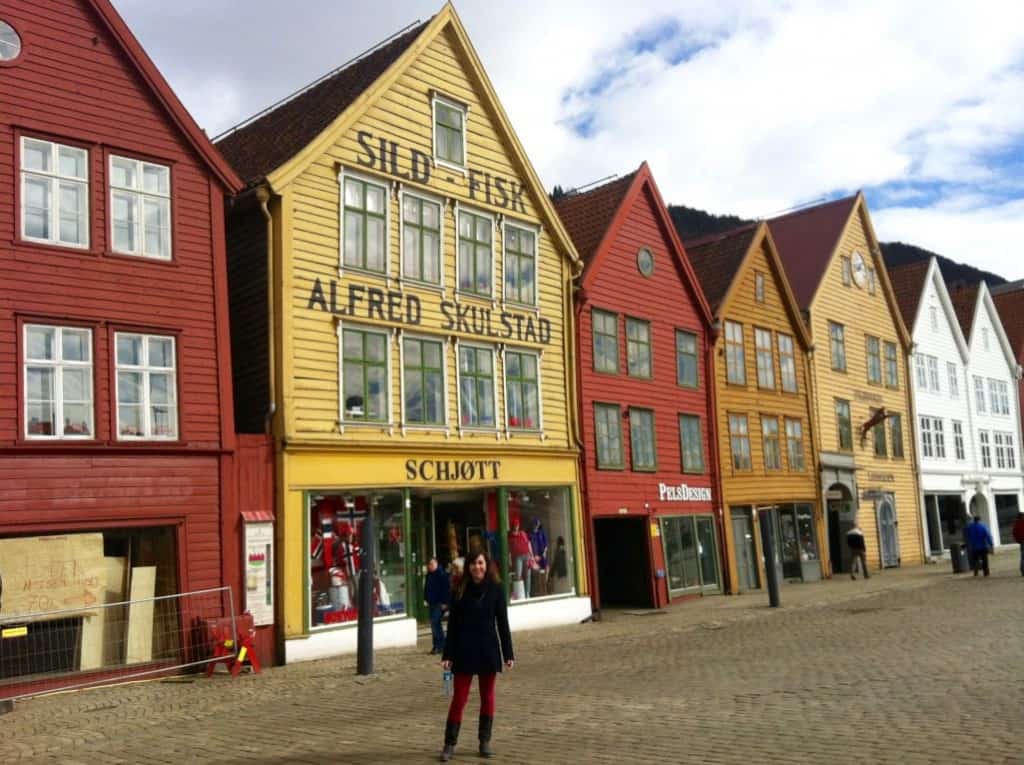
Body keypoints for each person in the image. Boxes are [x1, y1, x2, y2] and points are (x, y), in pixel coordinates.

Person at [439, 550, 513, 761]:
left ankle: (484, 741)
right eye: (473, 563)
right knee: (459, 698)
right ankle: (449, 744)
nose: (477, 567)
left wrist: (508, 653)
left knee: (487, 696)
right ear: (468, 567)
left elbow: (503, 624)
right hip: (464, 651)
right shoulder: (459, 590)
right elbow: (452, 626)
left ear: (486, 565)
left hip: (488, 650)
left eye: (480, 563)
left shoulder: (496, 590)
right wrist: (447, 654)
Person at [424, 557, 450, 655]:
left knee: (435, 622)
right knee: (434, 624)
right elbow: (427, 587)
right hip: (431, 602)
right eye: (429, 564)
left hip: (439, 603)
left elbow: (446, 589)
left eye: (431, 564)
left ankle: (440, 645)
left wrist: (445, 602)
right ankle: (437, 645)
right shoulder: (429, 575)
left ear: (436, 563)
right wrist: (426, 598)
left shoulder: (441, 574)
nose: (430, 566)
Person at [1013, 510, 1024, 577]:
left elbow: (1014, 533)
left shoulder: (1016, 523)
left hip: (1022, 542)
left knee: (1023, 557)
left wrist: (1018, 541)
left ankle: (1023, 570)